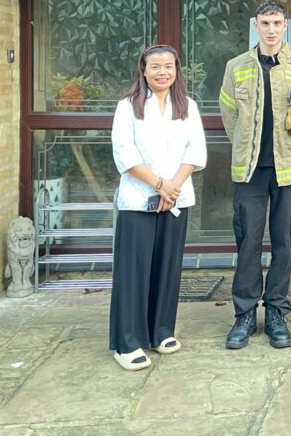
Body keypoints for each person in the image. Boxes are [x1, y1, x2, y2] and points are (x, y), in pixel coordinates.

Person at [219, 0, 291, 350]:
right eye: (265, 23)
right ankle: (245, 315)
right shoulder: (236, 67)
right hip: (250, 171)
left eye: (277, 22)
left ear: (285, 25)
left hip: (289, 170)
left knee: (283, 244)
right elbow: (229, 112)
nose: (271, 29)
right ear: (255, 25)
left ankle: (277, 313)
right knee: (248, 244)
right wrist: (245, 143)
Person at [109, 44, 207, 371]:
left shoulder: (187, 106)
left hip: (176, 198)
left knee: (167, 267)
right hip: (139, 200)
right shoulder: (128, 107)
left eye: (169, 66)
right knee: (133, 271)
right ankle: (128, 342)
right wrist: (159, 185)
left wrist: (173, 186)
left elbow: (196, 151)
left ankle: (161, 331)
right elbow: (125, 154)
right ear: (144, 70)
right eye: (155, 67)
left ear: (177, 70)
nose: (162, 72)